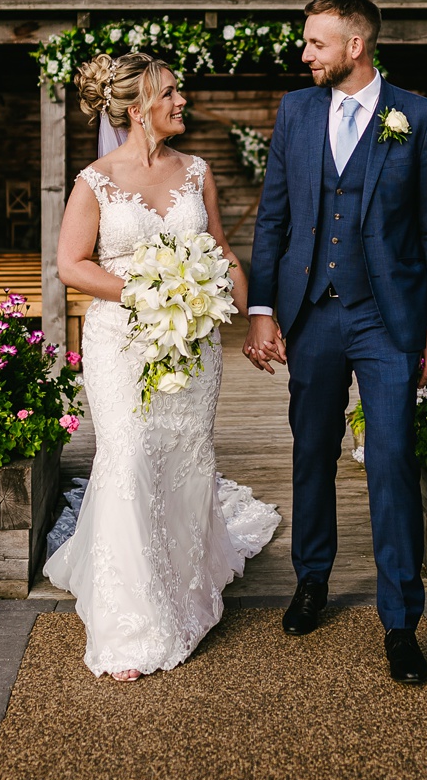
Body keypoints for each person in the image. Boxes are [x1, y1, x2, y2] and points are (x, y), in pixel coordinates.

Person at [241, 0, 427, 684]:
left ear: (354, 47)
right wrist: (264, 309)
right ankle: (312, 580)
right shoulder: (296, 112)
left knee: (391, 460)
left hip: (386, 318)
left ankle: (400, 621)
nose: (304, 54)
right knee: (313, 453)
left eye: (315, 43)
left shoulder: (418, 118)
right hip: (312, 313)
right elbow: (273, 219)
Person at [44, 51, 280, 680]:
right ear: (136, 106)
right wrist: (148, 291)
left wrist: (235, 298)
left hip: (192, 344)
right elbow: (73, 265)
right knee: (129, 455)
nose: (183, 102)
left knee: (183, 455)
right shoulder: (95, 180)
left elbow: (223, 250)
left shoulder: (196, 170)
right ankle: (133, 622)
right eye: (171, 93)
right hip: (121, 343)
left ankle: (185, 581)